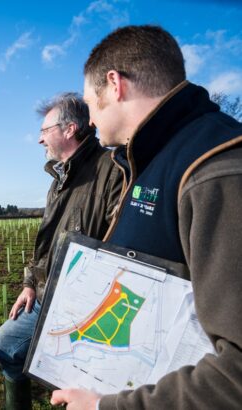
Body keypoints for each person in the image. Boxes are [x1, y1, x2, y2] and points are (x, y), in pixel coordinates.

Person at [51, 25, 242, 409]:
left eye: (89, 103)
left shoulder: (217, 171)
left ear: (115, 84)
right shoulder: (152, 158)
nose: (89, 121)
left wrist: (106, 407)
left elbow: (235, 372)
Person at [0, 92, 123, 409]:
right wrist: (29, 284)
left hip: (87, 305)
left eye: (43, 131)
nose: (39, 140)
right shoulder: (60, 178)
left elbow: (119, 253)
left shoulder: (112, 171)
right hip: (48, 294)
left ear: (69, 129)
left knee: (77, 381)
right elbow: (47, 241)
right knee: (6, 342)